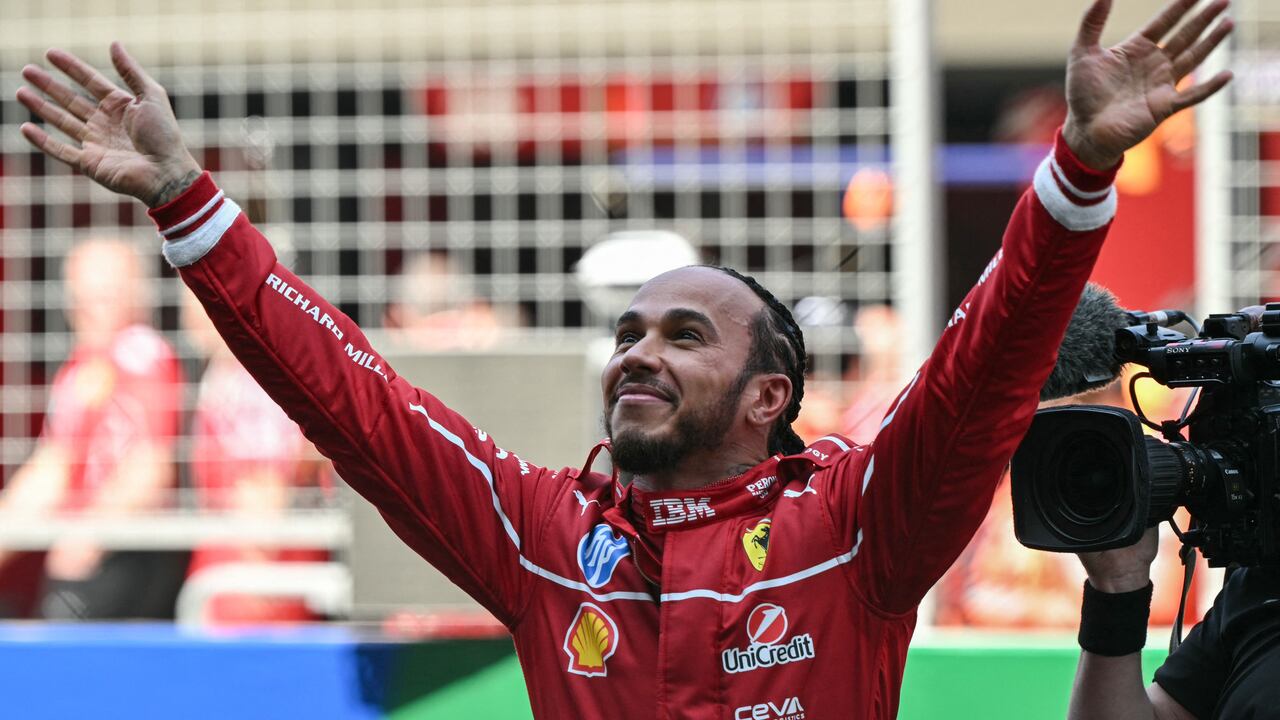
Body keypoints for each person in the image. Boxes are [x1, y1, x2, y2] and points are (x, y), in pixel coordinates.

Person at [14, 0, 1231, 714]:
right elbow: (353, 403)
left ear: (767, 396)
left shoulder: (858, 524)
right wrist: (188, 205)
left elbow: (982, 364)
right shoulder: (543, 534)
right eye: (626, 334)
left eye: (682, 335)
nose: (635, 355)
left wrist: (1077, 173)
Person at [0, 238, 187, 619]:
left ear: (136, 294)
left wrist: (87, 538)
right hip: (88, 552)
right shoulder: (81, 367)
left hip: (122, 554)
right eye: (80, 294)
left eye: (104, 293)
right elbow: (51, 468)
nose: (86, 307)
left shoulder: (141, 354)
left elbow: (150, 469)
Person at [181, 288, 332, 625]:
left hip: (251, 588)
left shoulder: (251, 382)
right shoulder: (227, 373)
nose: (188, 316)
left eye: (198, 299)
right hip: (240, 575)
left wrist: (254, 580)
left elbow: (265, 494)